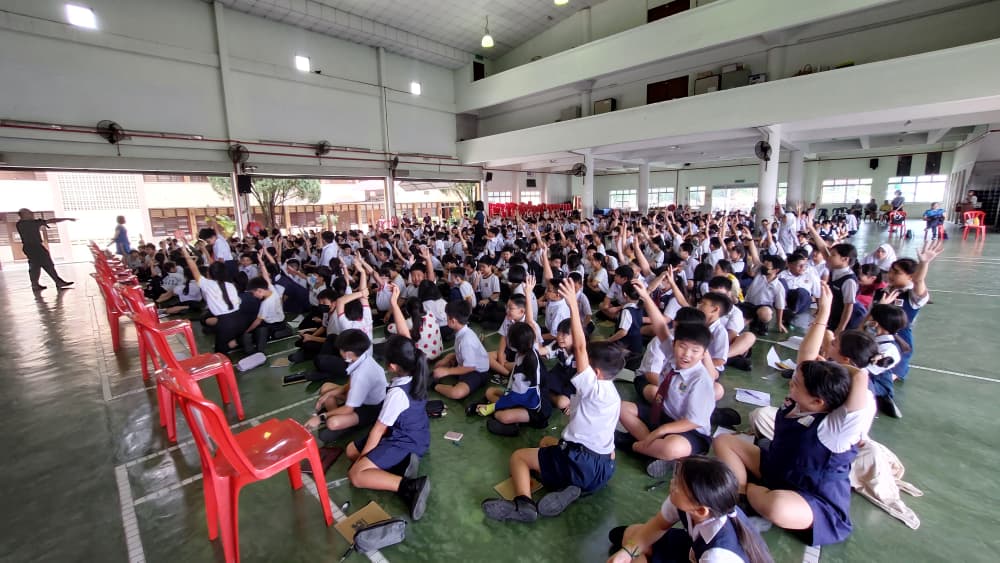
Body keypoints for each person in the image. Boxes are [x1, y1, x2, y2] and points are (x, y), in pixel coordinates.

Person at [713, 285, 874, 546]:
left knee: (778, 507)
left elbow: (861, 388)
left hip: (810, 496)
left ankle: (755, 496)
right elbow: (806, 357)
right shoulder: (804, 398)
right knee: (723, 442)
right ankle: (744, 496)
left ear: (818, 401)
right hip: (778, 469)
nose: (791, 384)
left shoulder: (836, 427)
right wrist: (822, 314)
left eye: (796, 383)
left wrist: (855, 371)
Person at [482, 278, 624, 523]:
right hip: (603, 470)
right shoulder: (613, 395)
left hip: (579, 460)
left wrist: (572, 305)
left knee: (518, 457)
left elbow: (580, 346)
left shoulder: (593, 386)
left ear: (596, 372)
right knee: (548, 441)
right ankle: (572, 488)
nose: (584, 362)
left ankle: (523, 504)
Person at [606, 455, 773, 563]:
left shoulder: (720, 556)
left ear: (700, 511)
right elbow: (658, 525)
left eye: (678, 484)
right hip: (695, 551)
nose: (672, 484)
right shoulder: (692, 503)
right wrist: (627, 553)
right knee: (630, 535)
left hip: (706, 556)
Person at [346, 335, 432, 520]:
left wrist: (363, 460)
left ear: (392, 367)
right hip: (411, 433)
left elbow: (378, 430)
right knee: (350, 450)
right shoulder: (415, 374)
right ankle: (400, 466)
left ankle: (409, 486)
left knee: (356, 475)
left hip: (406, 441)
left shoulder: (397, 394)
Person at [304, 329, 386, 443]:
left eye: (340, 350)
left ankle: (345, 423)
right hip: (361, 399)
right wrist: (330, 393)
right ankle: (341, 418)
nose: (339, 352)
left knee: (332, 423)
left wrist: (320, 417)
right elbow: (350, 385)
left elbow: (349, 408)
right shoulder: (362, 357)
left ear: (348, 354)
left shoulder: (360, 375)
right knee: (326, 388)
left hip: (371, 408)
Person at [431, 300, 490, 400]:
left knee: (456, 393)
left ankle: (434, 386)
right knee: (439, 366)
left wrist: (447, 371)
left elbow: (470, 367)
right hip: (465, 363)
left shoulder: (466, 340)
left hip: (477, 372)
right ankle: (449, 371)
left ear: (453, 321)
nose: (446, 319)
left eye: (447, 317)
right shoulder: (462, 332)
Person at [15, 208, 75, 291]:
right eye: (29, 213)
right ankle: (57, 281)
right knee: (46, 264)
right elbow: (51, 220)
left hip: (31, 247)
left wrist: (65, 219)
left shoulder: (22, 224)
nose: (31, 214)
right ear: (23, 215)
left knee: (35, 266)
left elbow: (50, 221)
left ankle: (36, 284)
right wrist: (67, 219)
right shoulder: (25, 224)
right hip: (34, 247)